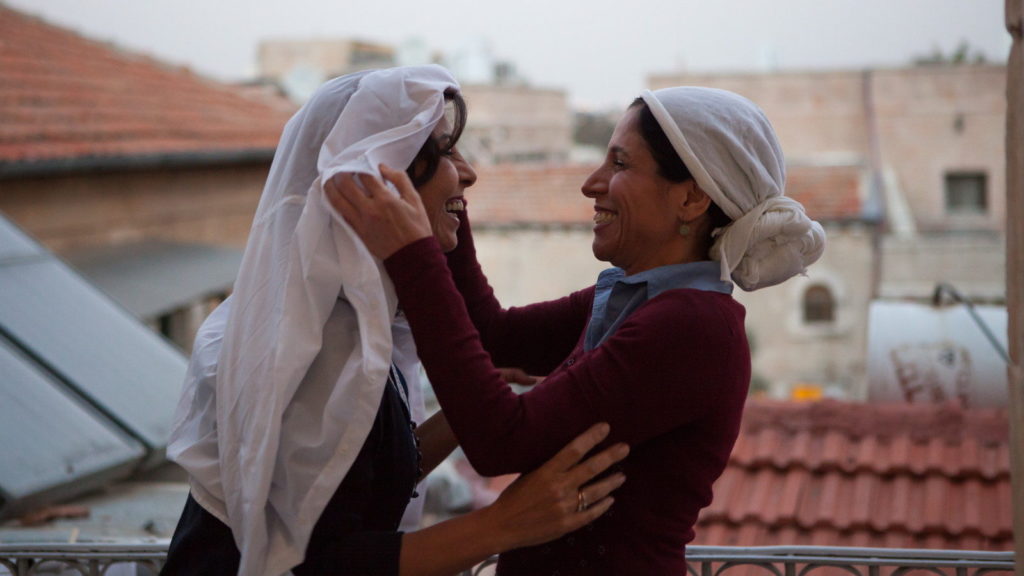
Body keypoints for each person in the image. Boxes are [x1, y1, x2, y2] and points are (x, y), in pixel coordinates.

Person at [329, 85, 827, 574]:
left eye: (620, 164)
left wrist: (413, 255)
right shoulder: (635, 301)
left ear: (692, 199)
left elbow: (500, 440)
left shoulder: (691, 328)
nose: (591, 183)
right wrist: (447, 197)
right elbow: (494, 337)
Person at [160, 65, 628, 576]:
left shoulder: (340, 322)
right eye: (446, 152)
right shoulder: (316, 348)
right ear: (385, 174)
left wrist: (472, 406)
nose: (469, 173)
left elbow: (357, 477)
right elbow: (315, 564)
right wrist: (503, 526)